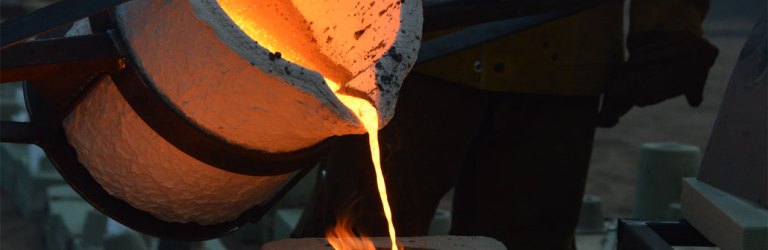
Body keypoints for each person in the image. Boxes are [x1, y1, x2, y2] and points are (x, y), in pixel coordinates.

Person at [293, 0, 718, 249]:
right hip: (412, 55)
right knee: (354, 227)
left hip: (555, 62)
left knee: (528, 241)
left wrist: (669, 26)